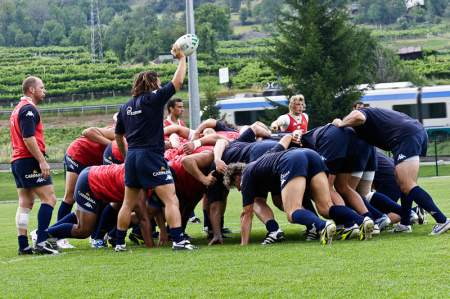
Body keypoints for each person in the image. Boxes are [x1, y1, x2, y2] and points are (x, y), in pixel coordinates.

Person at [114, 43, 196, 251]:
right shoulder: (152, 99)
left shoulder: (125, 107)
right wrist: (182, 58)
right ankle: (178, 240)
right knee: (170, 199)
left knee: (127, 203)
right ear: (152, 84)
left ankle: (118, 243)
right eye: (158, 82)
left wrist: (125, 156)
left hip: (132, 157)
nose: (160, 86)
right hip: (151, 156)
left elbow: (118, 135)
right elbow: (177, 82)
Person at [333, 107, 450, 234]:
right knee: (404, 184)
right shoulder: (363, 130)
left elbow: (358, 116)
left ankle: (442, 220)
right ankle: (405, 223)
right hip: (414, 133)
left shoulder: (360, 113)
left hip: (405, 136)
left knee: (407, 184)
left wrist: (340, 123)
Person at [47, 164, 152, 247]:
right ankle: (42, 236)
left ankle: (99, 238)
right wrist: (151, 246)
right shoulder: (137, 181)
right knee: (83, 230)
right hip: (89, 182)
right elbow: (142, 218)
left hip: (98, 180)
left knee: (107, 209)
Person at [10, 76, 59, 255]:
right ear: (31, 90)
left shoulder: (17, 109)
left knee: (25, 203)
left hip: (17, 161)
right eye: (42, 87)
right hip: (29, 160)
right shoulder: (28, 109)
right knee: (50, 198)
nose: (44, 91)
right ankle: (42, 241)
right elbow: (28, 137)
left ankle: (23, 245)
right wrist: (42, 160)